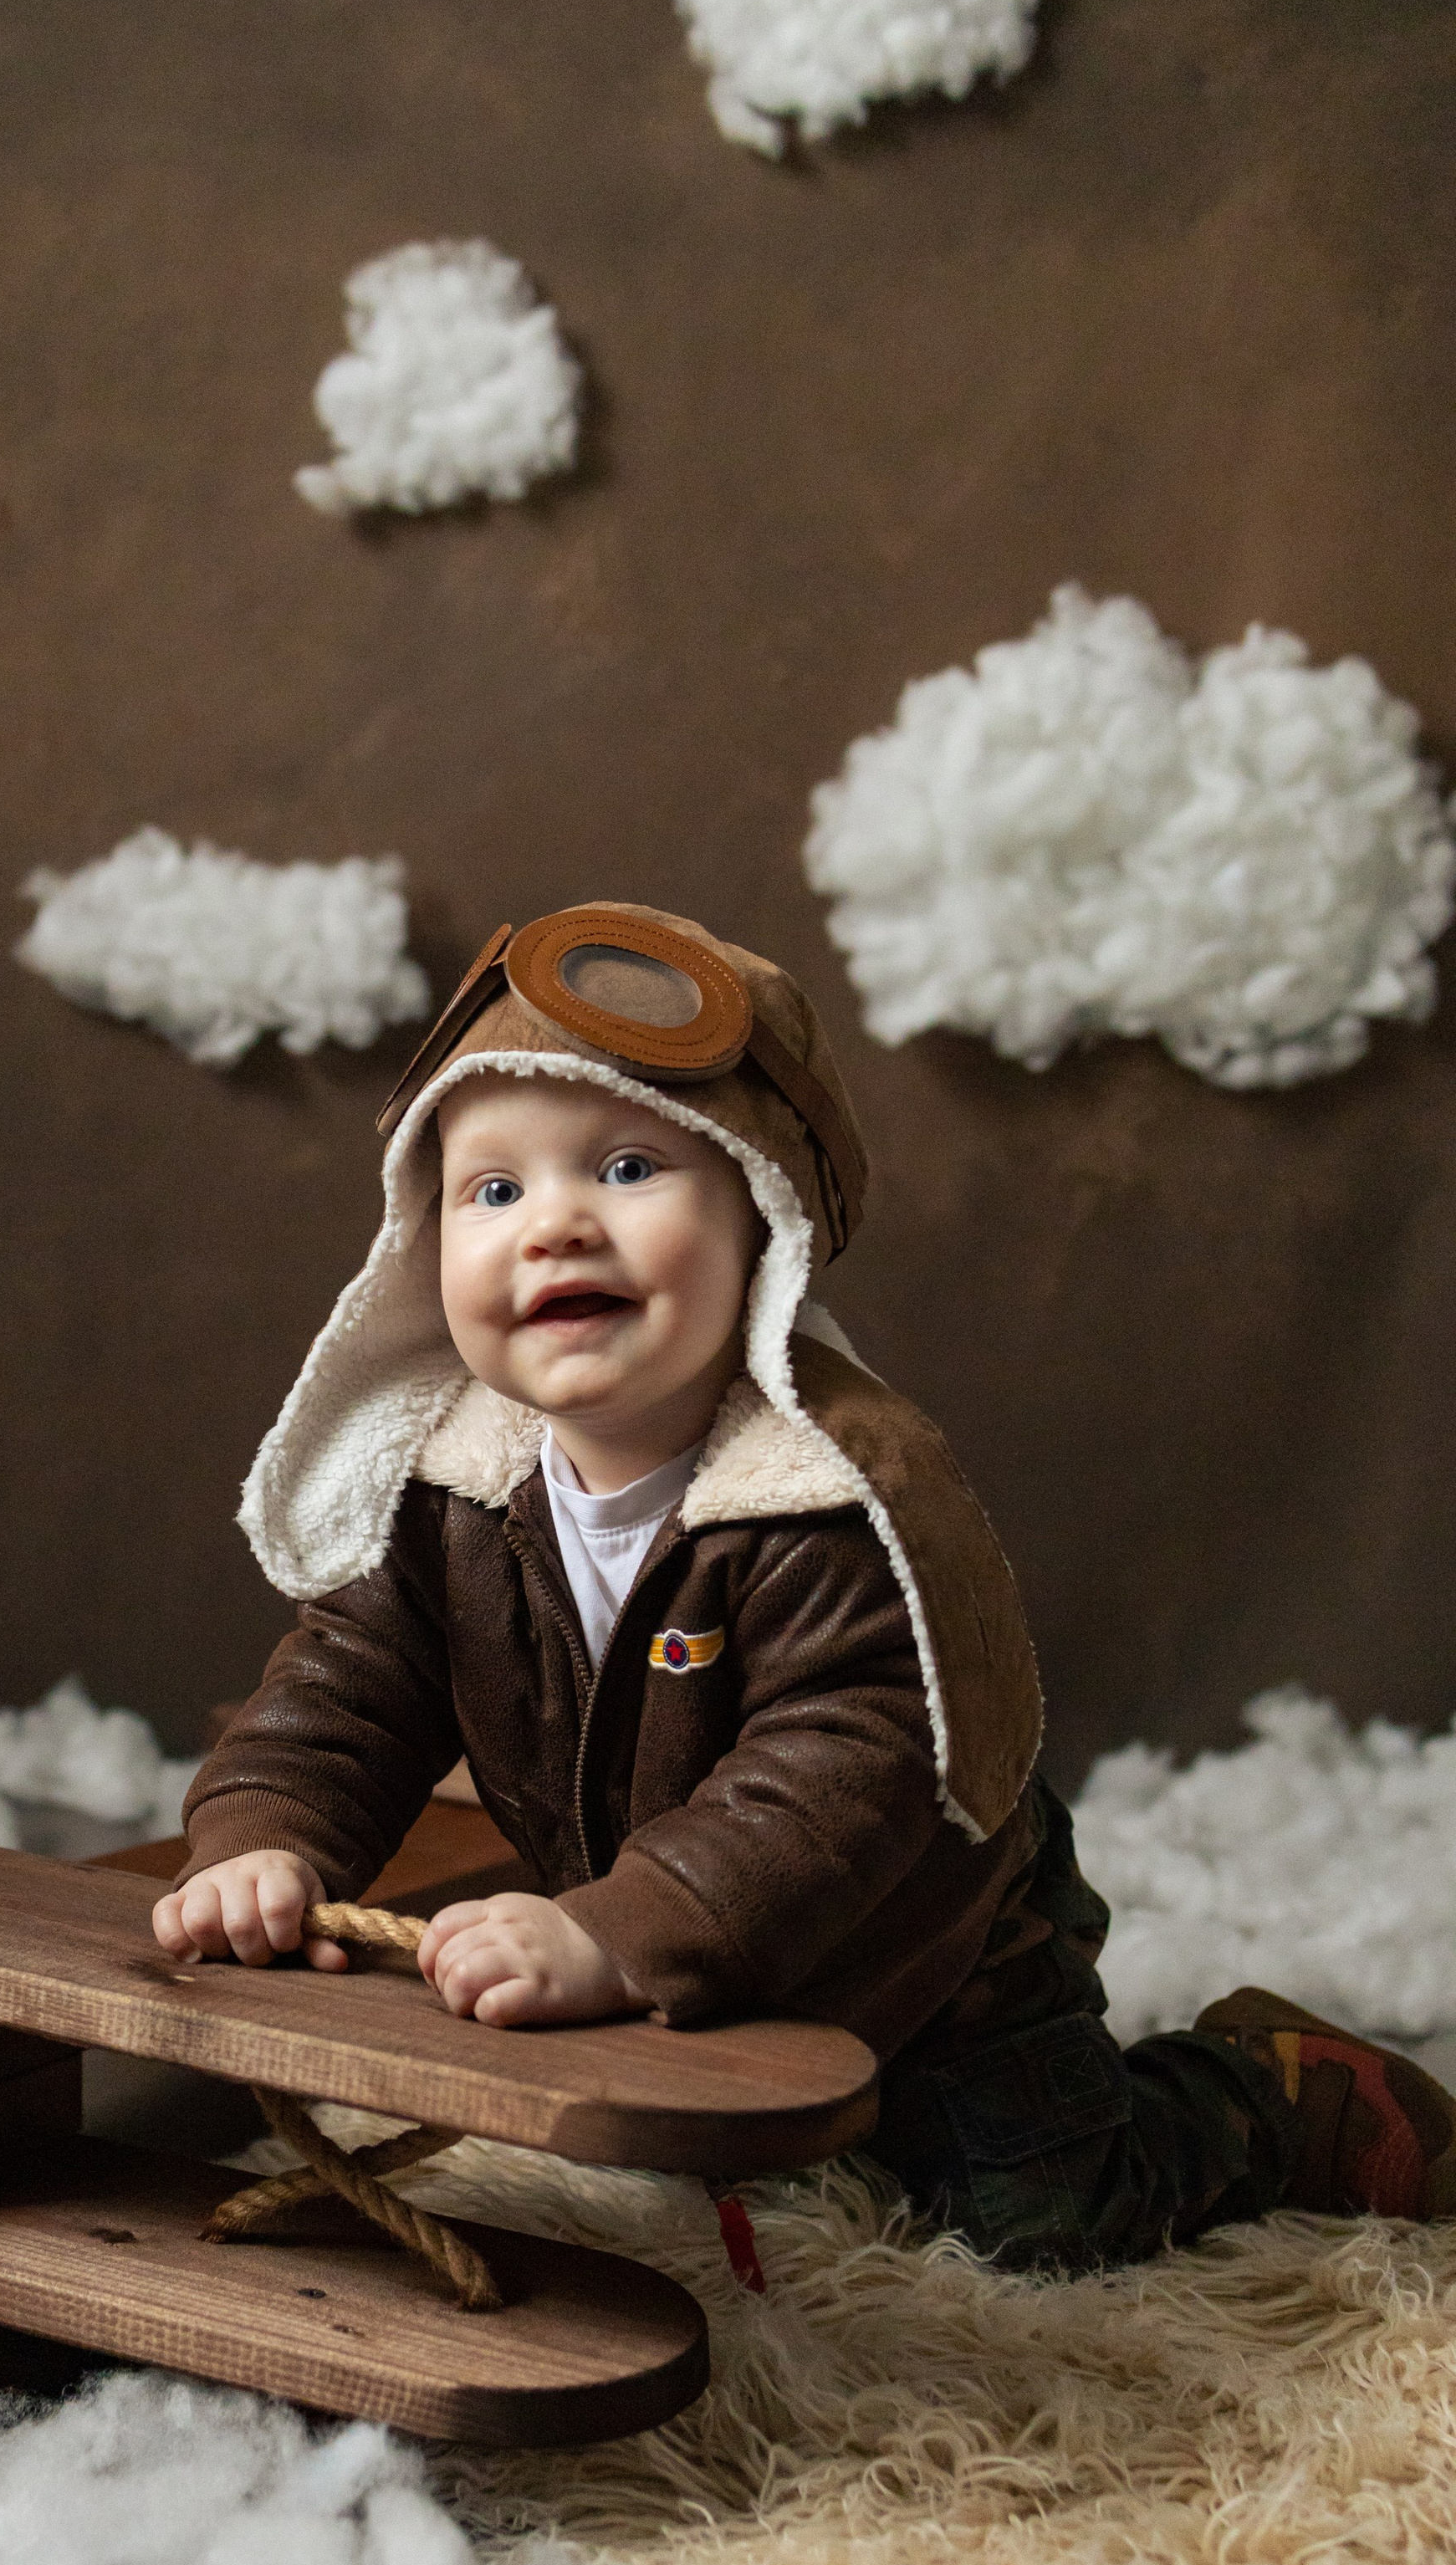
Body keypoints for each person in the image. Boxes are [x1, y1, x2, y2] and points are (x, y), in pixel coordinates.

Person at [154, 905, 1456, 2270]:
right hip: (694, 1943)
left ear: (760, 1216)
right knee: (774, 2174)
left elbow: (849, 1763)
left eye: (629, 1165)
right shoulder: (459, 1492)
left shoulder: (833, 1499)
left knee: (1048, 2223)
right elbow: (353, 1680)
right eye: (493, 1191)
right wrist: (265, 1833)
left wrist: (618, 1937)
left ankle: (1271, 2086)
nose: (555, 1227)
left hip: (933, 1959)